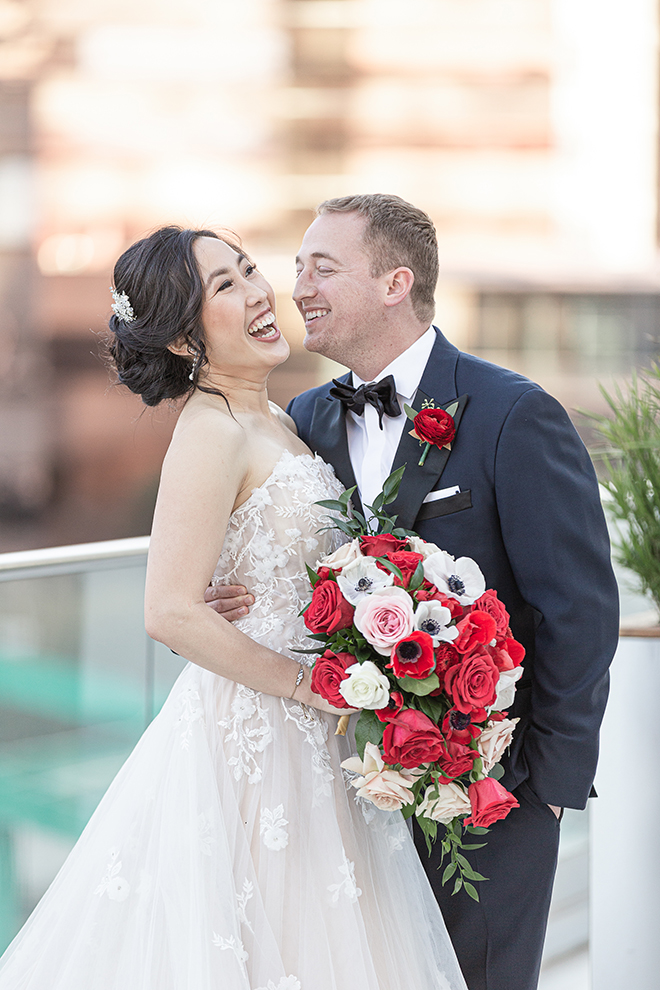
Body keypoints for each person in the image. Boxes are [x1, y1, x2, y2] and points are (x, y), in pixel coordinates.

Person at [0, 225, 468, 990]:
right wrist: (304, 685)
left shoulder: (277, 421)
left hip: (317, 735)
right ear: (185, 340)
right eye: (225, 286)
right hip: (256, 736)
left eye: (250, 270)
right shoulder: (210, 430)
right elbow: (168, 611)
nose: (257, 291)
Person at [208, 194, 620, 990]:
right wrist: (242, 596)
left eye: (322, 267)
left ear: (396, 282)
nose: (298, 288)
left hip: (487, 797)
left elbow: (579, 612)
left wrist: (544, 795)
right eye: (297, 267)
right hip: (342, 792)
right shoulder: (303, 419)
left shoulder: (513, 413)